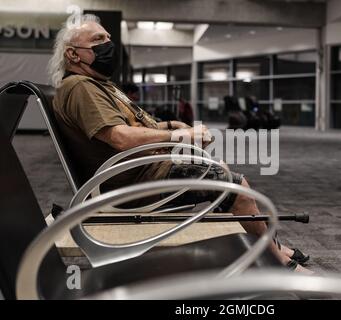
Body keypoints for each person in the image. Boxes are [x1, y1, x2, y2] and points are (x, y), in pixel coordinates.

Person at [48, 14, 311, 273]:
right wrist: (177, 138)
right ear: (73, 54)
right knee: (236, 186)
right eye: (98, 39)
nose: (108, 43)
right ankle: (279, 264)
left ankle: (270, 244)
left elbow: (139, 126)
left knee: (219, 170)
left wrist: (177, 127)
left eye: (108, 36)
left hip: (140, 170)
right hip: (133, 182)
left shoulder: (98, 85)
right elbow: (120, 137)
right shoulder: (81, 88)